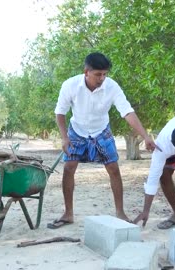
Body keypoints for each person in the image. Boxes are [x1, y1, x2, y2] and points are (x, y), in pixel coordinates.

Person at [48, 52, 158, 229]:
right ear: (86, 72)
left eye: (105, 74)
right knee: (69, 168)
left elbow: (127, 112)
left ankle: (120, 213)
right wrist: (64, 138)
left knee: (114, 169)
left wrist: (145, 136)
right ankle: (68, 213)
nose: (102, 78)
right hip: (77, 131)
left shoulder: (112, 87)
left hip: (102, 131)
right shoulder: (70, 85)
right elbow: (60, 112)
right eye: (98, 74)